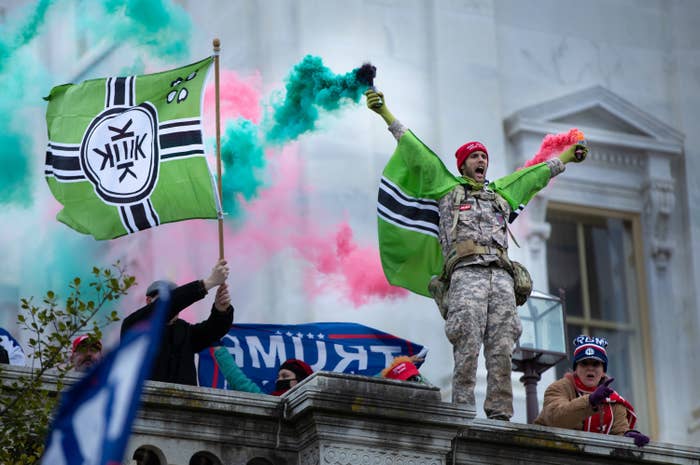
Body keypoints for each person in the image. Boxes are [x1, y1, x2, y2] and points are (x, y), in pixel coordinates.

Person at [365, 89, 588, 420]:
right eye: (474, 157)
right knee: (466, 339)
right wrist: (385, 113)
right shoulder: (446, 188)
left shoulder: (501, 194)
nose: (481, 161)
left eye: (484, 157)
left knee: (503, 345)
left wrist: (567, 157)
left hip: (500, 276)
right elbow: (415, 151)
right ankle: (462, 412)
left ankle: (500, 415)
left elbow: (534, 176)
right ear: (462, 164)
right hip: (465, 274)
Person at [120, 259, 233, 386]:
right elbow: (168, 306)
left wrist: (221, 310)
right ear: (148, 301)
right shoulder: (135, 324)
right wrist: (208, 283)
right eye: (163, 299)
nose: (174, 305)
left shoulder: (186, 330)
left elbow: (213, 330)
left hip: (186, 403)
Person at [534, 335, 650, 447]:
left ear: (603, 371)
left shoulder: (614, 401)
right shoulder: (559, 388)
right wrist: (590, 401)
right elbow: (555, 418)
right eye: (584, 363)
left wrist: (627, 436)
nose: (590, 368)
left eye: (596, 364)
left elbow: (618, 433)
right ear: (576, 369)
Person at [213, 346, 313, 396]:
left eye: (285, 376)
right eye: (278, 377)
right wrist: (219, 348)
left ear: (299, 381)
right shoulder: (269, 401)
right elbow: (238, 381)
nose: (279, 380)